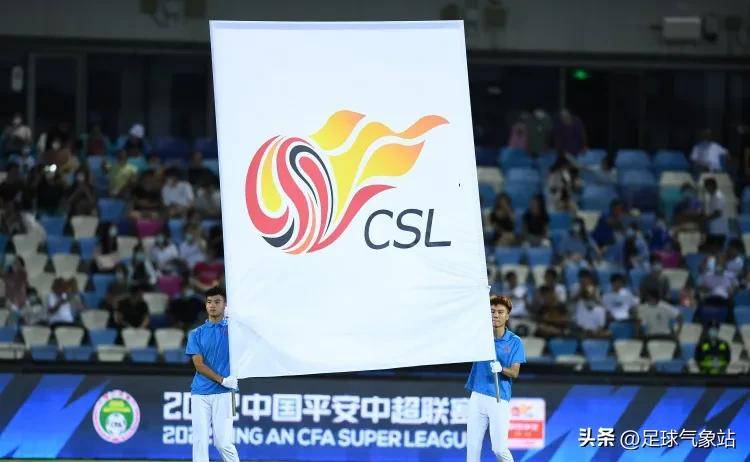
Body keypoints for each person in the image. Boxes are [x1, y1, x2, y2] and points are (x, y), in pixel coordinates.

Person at [465, 295, 525, 462]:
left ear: (507, 316)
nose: (496, 315)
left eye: (500, 312)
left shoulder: (515, 341)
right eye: (492, 311)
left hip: (498, 397)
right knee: (473, 446)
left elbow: (515, 372)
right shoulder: (480, 336)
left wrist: (501, 369)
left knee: (499, 449)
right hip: (477, 394)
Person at [185, 287, 240, 462]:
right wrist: (223, 380)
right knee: (199, 442)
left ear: (225, 305)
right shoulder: (196, 334)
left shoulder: (234, 331)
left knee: (223, 443)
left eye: (217, 301)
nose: (212, 305)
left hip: (225, 394)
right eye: (209, 302)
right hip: (200, 393)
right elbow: (199, 365)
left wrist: (236, 319)